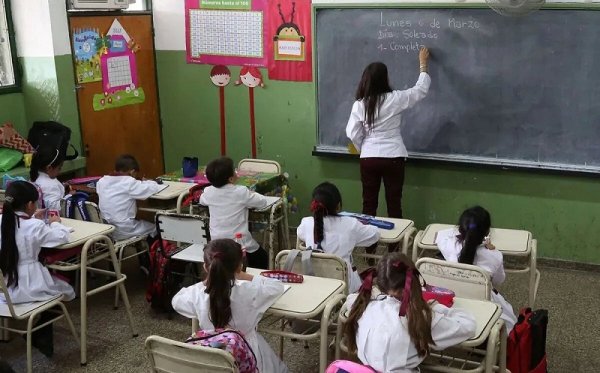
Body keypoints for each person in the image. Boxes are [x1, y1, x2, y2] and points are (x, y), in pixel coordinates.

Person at [343, 253, 476, 372]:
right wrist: (435, 307)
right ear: (415, 280)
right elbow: (468, 325)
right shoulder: (421, 318)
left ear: (379, 281)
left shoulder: (364, 306)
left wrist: (377, 295)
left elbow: (350, 299)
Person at [172, 239, 288, 373]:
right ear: (239, 266)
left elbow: (176, 300)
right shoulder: (250, 291)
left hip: (211, 355)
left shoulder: (197, 294)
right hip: (247, 354)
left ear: (205, 267)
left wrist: (207, 282)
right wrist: (245, 276)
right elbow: (276, 286)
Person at [346, 47, 431, 220]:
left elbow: (352, 132)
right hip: (394, 156)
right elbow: (420, 90)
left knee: (368, 203)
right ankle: (395, 246)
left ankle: (369, 246)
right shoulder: (395, 99)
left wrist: (364, 147)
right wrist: (423, 65)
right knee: (394, 203)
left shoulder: (360, 104)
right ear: (385, 79)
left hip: (369, 158)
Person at [435, 206, 518, 331]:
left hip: (450, 301)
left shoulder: (448, 245)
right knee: (509, 315)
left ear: (460, 229)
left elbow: (442, 235)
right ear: (487, 231)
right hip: (482, 304)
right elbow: (498, 281)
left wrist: (464, 234)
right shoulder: (494, 255)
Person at [297, 182, 380, 293]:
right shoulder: (350, 224)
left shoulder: (307, 223)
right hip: (345, 288)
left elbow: (300, 233)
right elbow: (374, 235)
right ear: (338, 206)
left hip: (315, 285)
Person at [200, 157, 271, 269]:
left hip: (216, 243)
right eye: (234, 171)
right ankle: (252, 280)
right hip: (239, 243)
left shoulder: (208, 192)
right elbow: (262, 202)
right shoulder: (240, 191)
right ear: (231, 179)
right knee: (262, 257)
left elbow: (202, 200)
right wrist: (251, 193)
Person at [96, 154, 164, 241]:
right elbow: (152, 188)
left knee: (141, 224)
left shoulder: (101, 181)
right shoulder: (129, 182)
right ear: (132, 172)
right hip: (124, 230)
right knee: (156, 228)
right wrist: (150, 182)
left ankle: (144, 252)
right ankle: (152, 253)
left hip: (107, 230)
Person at [30, 145, 69, 212]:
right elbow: (55, 208)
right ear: (49, 168)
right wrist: (69, 196)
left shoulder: (33, 178)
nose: (60, 171)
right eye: (59, 168)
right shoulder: (52, 185)